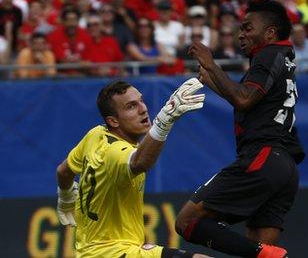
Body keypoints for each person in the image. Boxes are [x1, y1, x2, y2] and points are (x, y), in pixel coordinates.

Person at [178, 0, 305, 257]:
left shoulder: (268, 55)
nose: (240, 34)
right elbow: (249, 101)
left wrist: (212, 65)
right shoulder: (283, 58)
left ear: (270, 32)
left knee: (186, 221)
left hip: (263, 157)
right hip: (285, 168)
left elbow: (243, 98)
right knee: (261, 247)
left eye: (248, 28)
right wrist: (211, 80)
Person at [56, 79, 208, 258]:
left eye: (141, 101)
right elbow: (139, 163)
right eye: (131, 106)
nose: (143, 109)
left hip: (95, 251)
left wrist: (66, 197)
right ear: (113, 121)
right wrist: (164, 121)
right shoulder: (115, 152)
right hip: (114, 251)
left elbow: (63, 171)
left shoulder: (95, 135)